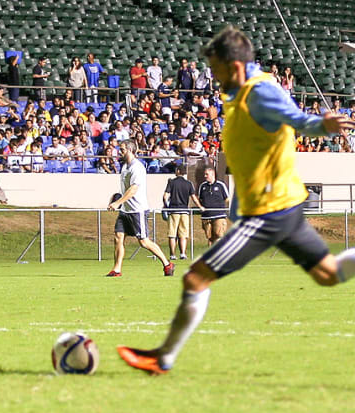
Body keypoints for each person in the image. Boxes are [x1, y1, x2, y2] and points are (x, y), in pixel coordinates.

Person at [117, 26, 355, 375]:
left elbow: (298, 119)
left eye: (216, 69)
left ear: (235, 65)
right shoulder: (242, 91)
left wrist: (322, 126)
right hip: (281, 206)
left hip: (268, 213)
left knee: (195, 278)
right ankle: (162, 358)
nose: (212, 77)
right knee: (328, 273)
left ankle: (162, 358)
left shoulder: (261, 93)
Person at [106, 139, 175, 277]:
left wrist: (118, 202)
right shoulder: (125, 166)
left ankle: (167, 264)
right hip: (125, 210)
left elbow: (133, 189)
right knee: (118, 237)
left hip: (137, 210)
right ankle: (117, 269)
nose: (120, 152)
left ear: (130, 150)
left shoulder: (137, 167)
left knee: (144, 241)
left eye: (123, 149)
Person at [163, 165, 204, 260]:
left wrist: (165, 206)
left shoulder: (172, 182)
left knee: (172, 234)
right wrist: (200, 207)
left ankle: (172, 255)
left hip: (173, 211)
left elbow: (165, 196)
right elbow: (193, 197)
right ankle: (183, 254)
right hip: (185, 211)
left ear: (177, 171)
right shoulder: (188, 183)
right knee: (183, 234)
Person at [198, 166, 230, 246]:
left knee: (219, 235)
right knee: (210, 237)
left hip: (219, 215)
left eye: (207, 174)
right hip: (206, 216)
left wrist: (222, 208)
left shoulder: (220, 185)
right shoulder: (202, 186)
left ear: (213, 174)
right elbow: (200, 199)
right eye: (205, 174)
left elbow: (227, 199)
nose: (205, 176)